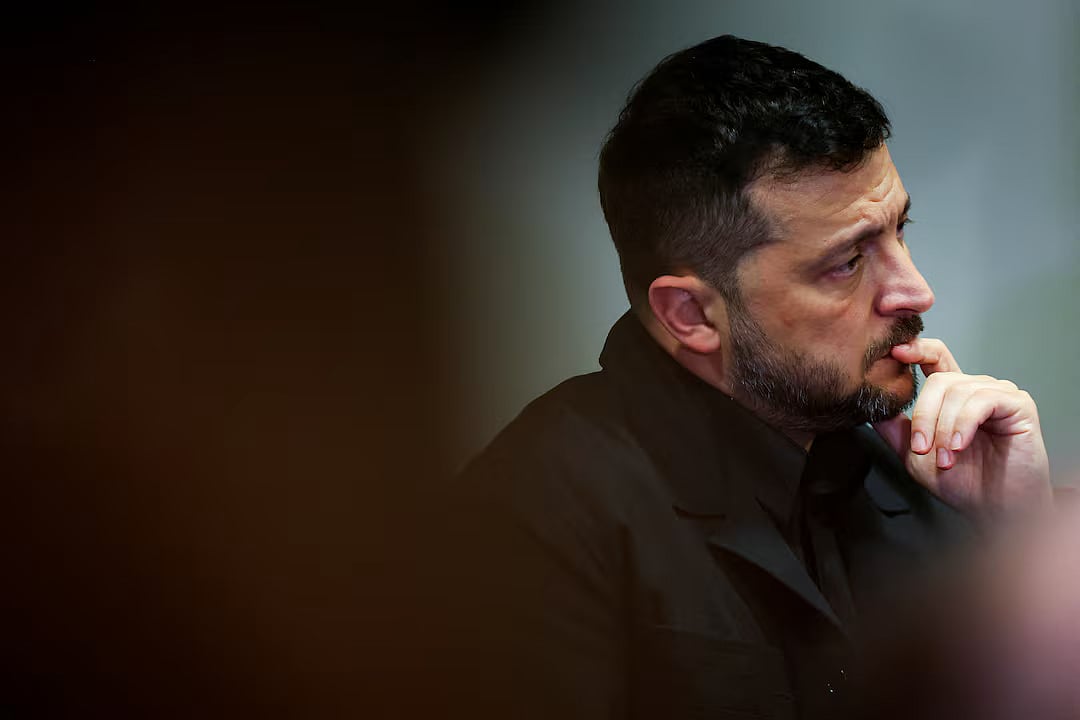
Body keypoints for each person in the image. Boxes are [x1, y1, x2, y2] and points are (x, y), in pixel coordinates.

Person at [434, 35, 1057, 719]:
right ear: (692, 314)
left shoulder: (921, 465)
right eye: (847, 263)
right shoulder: (543, 511)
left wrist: (1019, 528)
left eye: (898, 231)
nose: (915, 291)